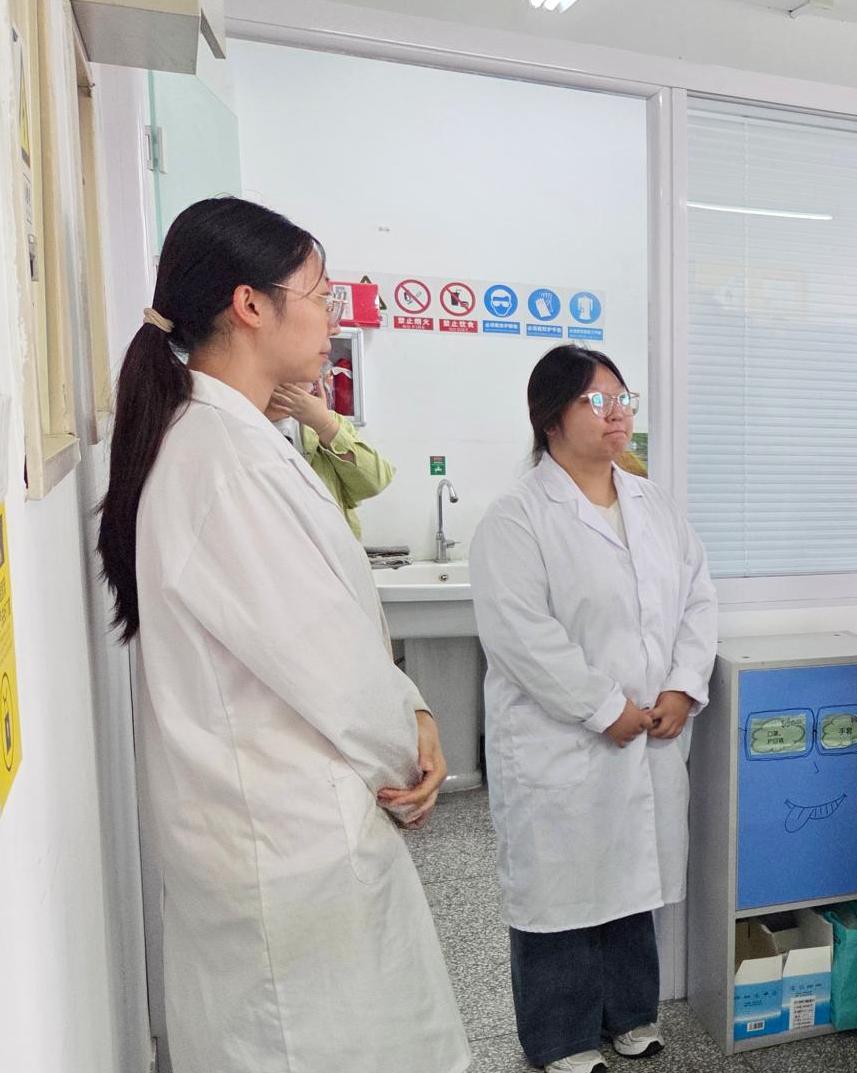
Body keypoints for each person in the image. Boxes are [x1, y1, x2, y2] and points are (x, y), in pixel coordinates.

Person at [96, 196, 469, 1073]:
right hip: (284, 842)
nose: (334, 315)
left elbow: (332, 628)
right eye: (321, 293)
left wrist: (412, 710)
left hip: (286, 832)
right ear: (249, 305)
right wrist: (408, 744)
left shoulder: (240, 439)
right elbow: (329, 664)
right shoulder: (223, 462)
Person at [470, 345, 718, 1073]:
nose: (617, 414)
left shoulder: (652, 505)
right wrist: (605, 707)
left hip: (649, 732)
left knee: (633, 876)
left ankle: (631, 1013)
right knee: (561, 892)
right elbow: (521, 635)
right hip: (561, 741)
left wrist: (682, 686)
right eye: (597, 400)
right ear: (551, 418)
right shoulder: (517, 518)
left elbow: (697, 599)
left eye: (622, 399)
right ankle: (561, 1037)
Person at [266, 376, 396, 539]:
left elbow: (375, 482)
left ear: (315, 385)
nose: (287, 381)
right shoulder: (244, 424)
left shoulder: (328, 422)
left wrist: (324, 425)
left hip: (329, 546)